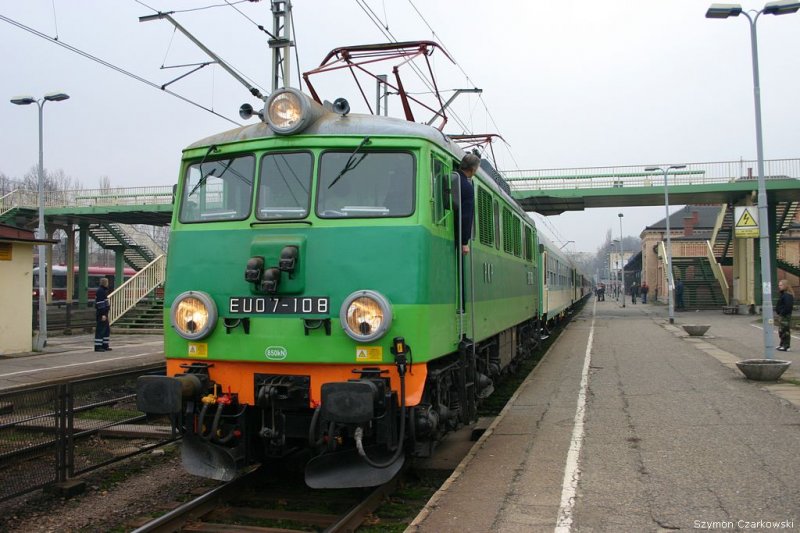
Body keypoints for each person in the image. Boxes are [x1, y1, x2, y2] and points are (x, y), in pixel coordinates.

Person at [451, 153, 478, 255]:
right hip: (458, 239)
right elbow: (466, 216)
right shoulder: (467, 187)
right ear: (472, 170)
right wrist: (464, 242)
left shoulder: (450, 178)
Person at [776, 279, 794, 352]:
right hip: (782, 315)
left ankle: (786, 346)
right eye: (779, 285)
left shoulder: (787, 295)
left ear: (785, 286)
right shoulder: (783, 294)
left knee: (785, 330)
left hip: (785, 315)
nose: (779, 286)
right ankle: (782, 344)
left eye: (781, 285)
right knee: (781, 330)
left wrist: (782, 312)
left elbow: (788, 306)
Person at [94, 277, 112, 352]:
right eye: (107, 282)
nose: (108, 284)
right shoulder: (101, 291)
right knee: (100, 330)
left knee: (106, 330)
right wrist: (103, 314)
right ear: (105, 283)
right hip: (102, 314)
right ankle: (98, 346)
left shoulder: (103, 290)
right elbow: (100, 304)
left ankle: (105, 345)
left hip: (105, 313)